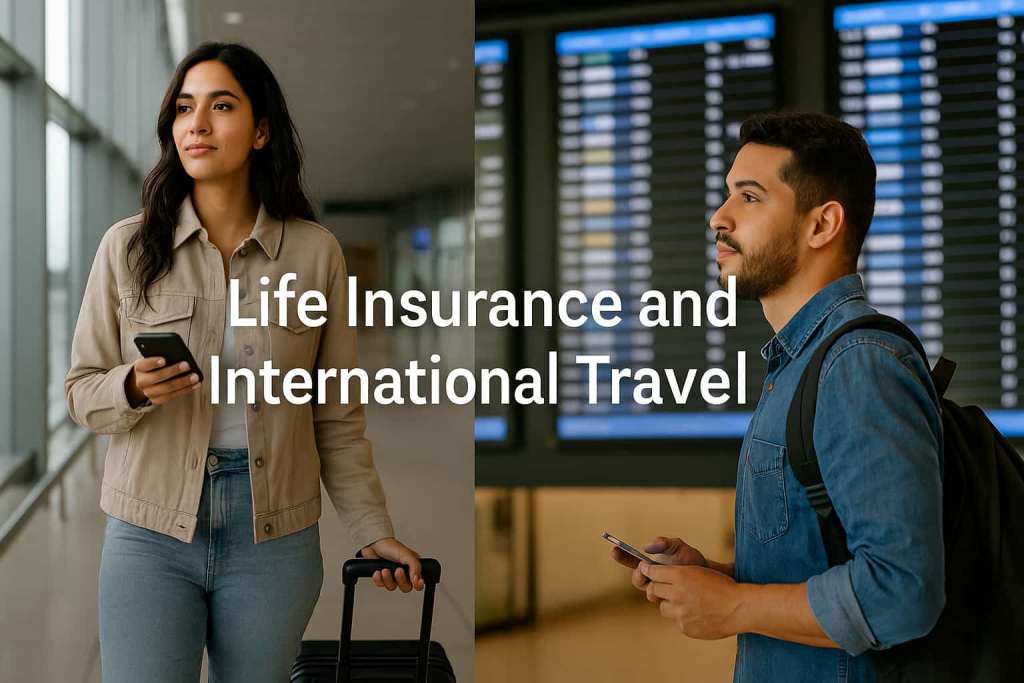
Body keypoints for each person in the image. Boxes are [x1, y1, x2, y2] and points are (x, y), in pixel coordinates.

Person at [65, 42, 423, 683]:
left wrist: (372, 528)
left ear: (260, 131)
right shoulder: (127, 247)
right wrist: (133, 388)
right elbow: (81, 392)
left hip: (273, 538)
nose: (196, 124)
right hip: (150, 529)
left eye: (220, 105)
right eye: (183, 108)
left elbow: (336, 416)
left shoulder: (316, 255)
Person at [612, 112, 945, 682]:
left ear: (822, 225)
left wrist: (736, 608)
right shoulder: (801, 364)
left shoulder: (855, 365)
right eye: (727, 195)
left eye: (749, 197)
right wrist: (719, 577)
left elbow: (901, 591)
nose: (719, 217)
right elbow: (826, 557)